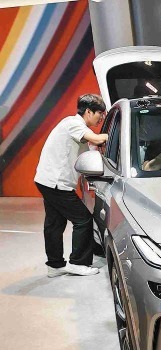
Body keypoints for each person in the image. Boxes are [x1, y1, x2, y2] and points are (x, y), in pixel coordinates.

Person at [34, 94, 108, 277]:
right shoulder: (74, 124)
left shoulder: (75, 127)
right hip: (56, 183)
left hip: (47, 180)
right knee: (83, 219)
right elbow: (97, 139)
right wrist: (118, 134)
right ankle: (78, 263)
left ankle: (55, 265)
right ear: (88, 111)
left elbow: (91, 149)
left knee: (55, 223)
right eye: (100, 113)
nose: (101, 118)